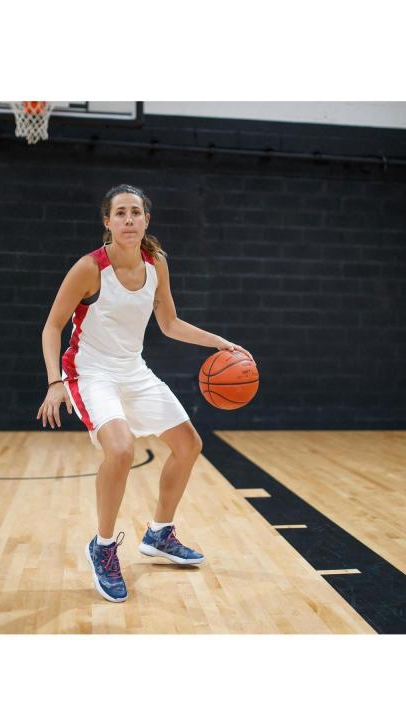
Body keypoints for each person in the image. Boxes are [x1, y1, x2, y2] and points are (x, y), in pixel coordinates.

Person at [37, 184, 252, 603]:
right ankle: (102, 547)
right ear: (107, 222)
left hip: (133, 371)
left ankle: (159, 534)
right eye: (120, 213)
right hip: (90, 372)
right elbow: (52, 326)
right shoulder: (89, 268)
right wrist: (54, 383)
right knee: (120, 450)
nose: (129, 219)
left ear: (146, 220)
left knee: (189, 445)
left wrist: (220, 343)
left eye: (135, 212)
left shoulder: (157, 264)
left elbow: (169, 323)